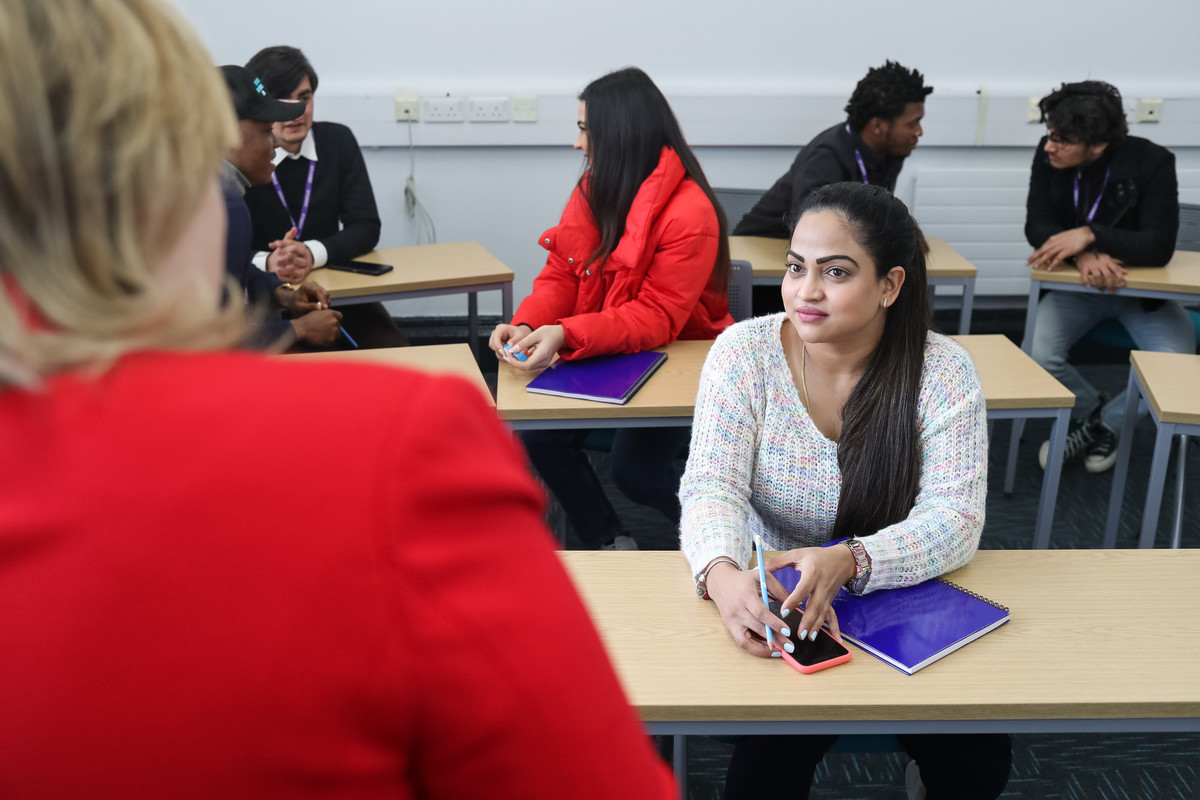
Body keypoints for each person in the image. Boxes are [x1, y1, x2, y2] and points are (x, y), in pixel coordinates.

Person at [0, 3, 675, 798]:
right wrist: (535, 318)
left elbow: (368, 229)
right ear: (172, 171)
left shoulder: (345, 152)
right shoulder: (394, 451)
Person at [680, 182, 1010, 800]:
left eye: (835, 273)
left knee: (979, 764)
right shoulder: (744, 354)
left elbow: (957, 517)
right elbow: (710, 487)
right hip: (779, 600)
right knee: (761, 780)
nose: (805, 292)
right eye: (795, 267)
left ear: (889, 285)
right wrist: (721, 574)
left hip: (903, 595)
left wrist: (853, 558)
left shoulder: (941, 371)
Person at [489, 66, 734, 551]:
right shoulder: (595, 188)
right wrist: (527, 323)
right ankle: (609, 541)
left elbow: (657, 317)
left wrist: (567, 334)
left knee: (636, 473)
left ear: (618, 134)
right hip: (611, 347)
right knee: (540, 436)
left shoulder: (690, 212)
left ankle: (731, 543)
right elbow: (562, 272)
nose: (578, 144)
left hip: (677, 360)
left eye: (585, 130)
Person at [1025, 80, 1189, 474]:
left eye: (1063, 140)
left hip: (1142, 295)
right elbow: (1038, 224)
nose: (1050, 146)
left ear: (1097, 145)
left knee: (1176, 371)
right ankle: (1092, 407)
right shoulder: (1048, 157)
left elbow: (1159, 245)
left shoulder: (1153, 162)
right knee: (1037, 356)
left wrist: (1091, 232)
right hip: (1079, 288)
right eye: (1050, 135)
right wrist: (1083, 253)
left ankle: (1104, 426)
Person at [244, 45, 406, 348]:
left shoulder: (337, 141)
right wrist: (269, 262)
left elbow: (366, 226)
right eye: (282, 101)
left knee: (394, 350)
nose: (296, 111)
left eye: (303, 99)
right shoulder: (244, 155)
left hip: (333, 293)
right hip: (262, 297)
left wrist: (311, 253)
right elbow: (224, 248)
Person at [219, 64, 344, 349]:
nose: (275, 143)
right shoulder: (223, 208)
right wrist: (296, 329)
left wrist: (282, 293)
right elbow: (211, 340)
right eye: (266, 131)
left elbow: (229, 273)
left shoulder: (209, 193)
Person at [733, 61, 932, 239]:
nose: (919, 132)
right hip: (764, 255)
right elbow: (810, 229)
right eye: (912, 124)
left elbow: (874, 219)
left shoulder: (891, 153)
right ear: (878, 126)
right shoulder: (826, 157)